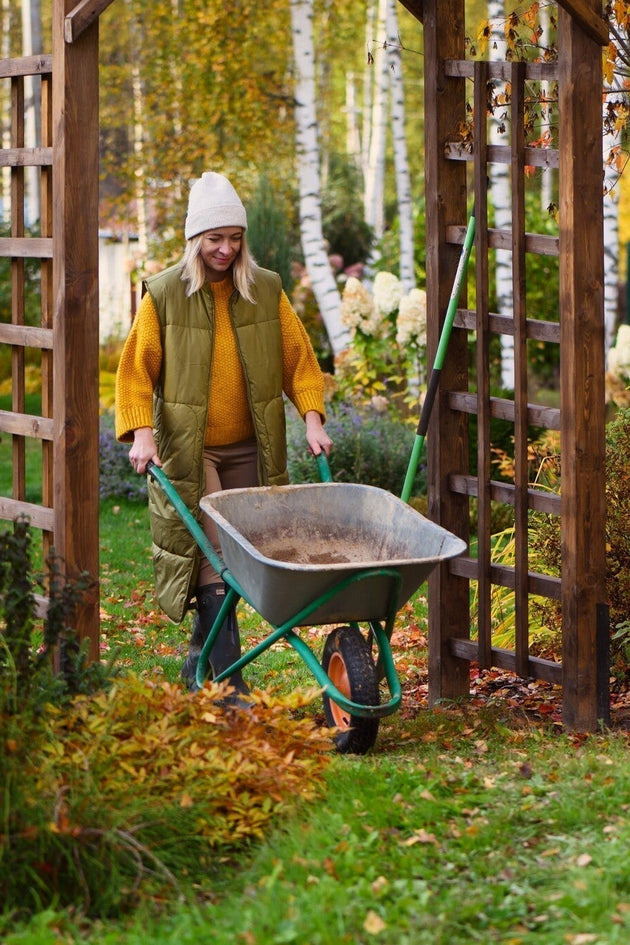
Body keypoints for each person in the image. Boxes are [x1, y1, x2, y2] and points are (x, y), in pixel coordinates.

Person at [115, 171, 332, 700]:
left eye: (235, 238)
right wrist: (141, 434)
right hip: (195, 450)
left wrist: (312, 418)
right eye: (215, 239)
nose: (226, 249)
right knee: (220, 556)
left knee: (238, 560)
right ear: (195, 239)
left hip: (251, 446)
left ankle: (198, 666)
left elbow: (299, 361)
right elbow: (135, 371)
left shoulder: (265, 290)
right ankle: (231, 687)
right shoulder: (165, 294)